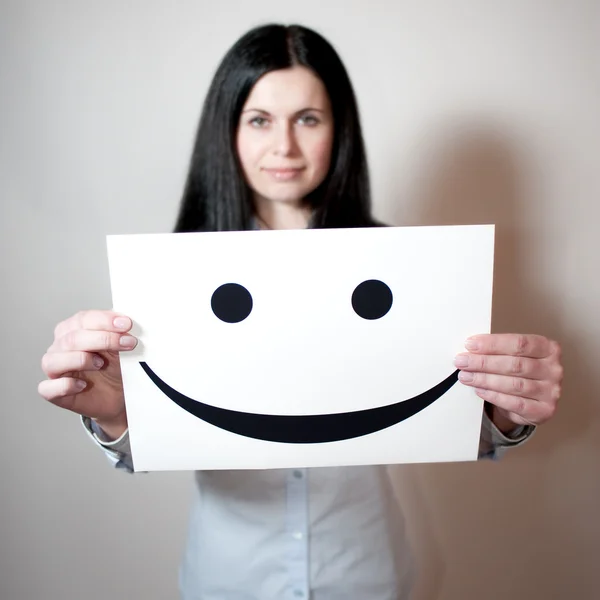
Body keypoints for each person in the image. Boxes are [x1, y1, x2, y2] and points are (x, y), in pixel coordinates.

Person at [38, 23, 563, 600]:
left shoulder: (407, 270)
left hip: (364, 567)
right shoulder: (171, 279)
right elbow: (164, 435)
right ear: (228, 130)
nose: (283, 146)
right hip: (228, 574)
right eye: (260, 119)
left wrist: (507, 413)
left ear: (338, 130)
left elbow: (456, 425)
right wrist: (117, 416)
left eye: (307, 118)